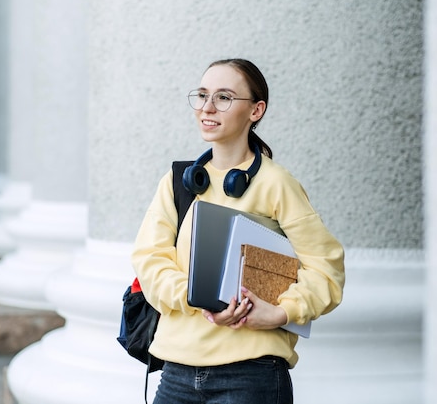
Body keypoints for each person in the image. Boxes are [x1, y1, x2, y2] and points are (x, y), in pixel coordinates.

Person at [131, 58, 345, 404]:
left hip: (251, 375)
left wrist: (281, 312)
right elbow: (148, 258)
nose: (207, 107)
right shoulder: (178, 184)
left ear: (256, 111)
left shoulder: (276, 184)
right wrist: (193, 297)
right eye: (202, 95)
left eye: (224, 97)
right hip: (177, 372)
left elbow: (327, 269)